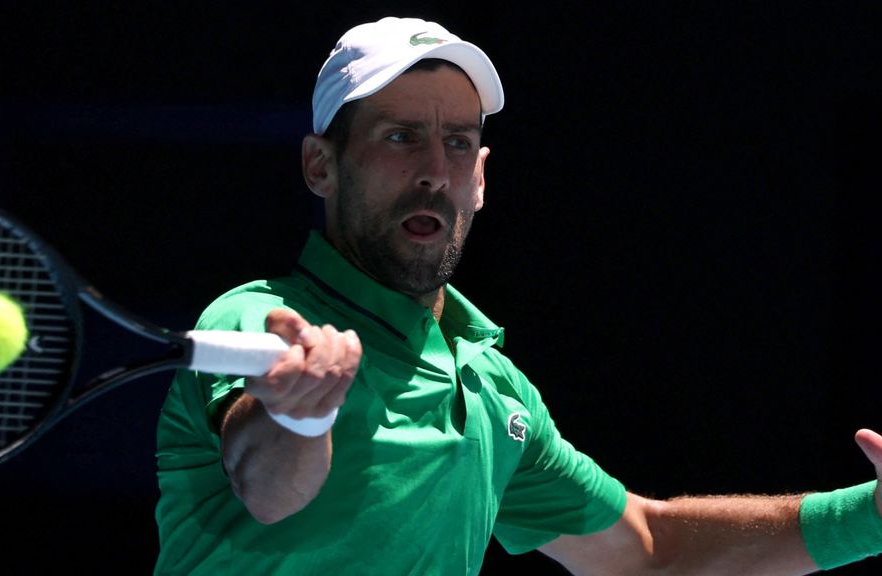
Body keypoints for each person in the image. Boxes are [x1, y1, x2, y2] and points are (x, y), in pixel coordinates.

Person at [153, 16, 882, 575]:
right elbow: (268, 489)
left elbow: (647, 548)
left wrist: (873, 516)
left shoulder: (495, 392)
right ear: (321, 166)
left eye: (458, 142)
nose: (435, 171)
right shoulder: (260, 319)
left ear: (480, 178)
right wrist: (298, 412)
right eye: (400, 137)